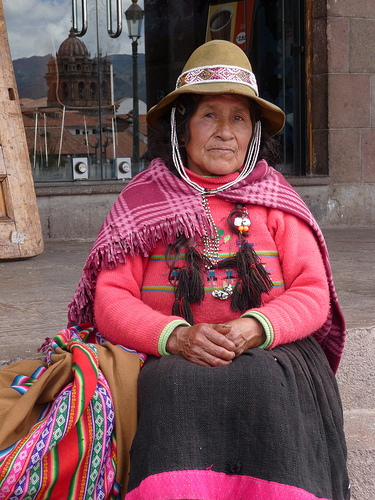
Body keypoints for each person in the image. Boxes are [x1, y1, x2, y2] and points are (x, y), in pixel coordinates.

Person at [68, 40, 350, 499]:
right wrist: (176, 336)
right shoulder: (143, 203)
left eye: (238, 118)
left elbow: (312, 292)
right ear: (183, 129)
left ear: (254, 131)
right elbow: (110, 299)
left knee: (264, 381)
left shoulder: (277, 201)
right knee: (171, 384)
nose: (224, 132)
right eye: (209, 116)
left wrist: (253, 328)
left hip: (270, 351)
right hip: (170, 355)